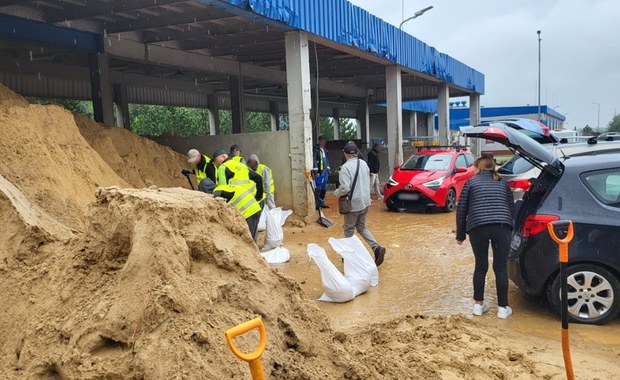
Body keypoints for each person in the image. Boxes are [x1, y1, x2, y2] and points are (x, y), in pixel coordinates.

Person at [456, 156, 515, 319]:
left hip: (478, 227)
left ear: (478, 167)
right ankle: (503, 309)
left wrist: (460, 235)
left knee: (481, 266)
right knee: (500, 267)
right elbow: (511, 209)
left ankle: (478, 306)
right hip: (502, 227)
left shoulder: (471, 183)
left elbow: (462, 210)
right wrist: (512, 229)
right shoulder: (502, 183)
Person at [334, 143, 386, 267]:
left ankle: (349, 257)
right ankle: (376, 247)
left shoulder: (345, 168)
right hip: (365, 202)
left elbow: (345, 188)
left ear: (345, 154)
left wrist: (336, 193)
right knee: (362, 227)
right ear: (356, 153)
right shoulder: (364, 164)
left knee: (348, 230)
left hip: (353, 204)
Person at [212, 149, 263, 219]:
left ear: (223, 157)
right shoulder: (240, 165)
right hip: (251, 202)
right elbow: (258, 178)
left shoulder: (222, 167)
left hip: (239, 204)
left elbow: (223, 189)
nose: (215, 163)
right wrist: (258, 197)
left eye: (215, 160)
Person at [312, 136, 331, 208]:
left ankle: (322, 202)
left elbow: (327, 160)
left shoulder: (325, 150)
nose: (324, 142)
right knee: (318, 187)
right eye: (323, 141)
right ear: (319, 141)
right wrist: (316, 171)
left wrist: (328, 169)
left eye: (325, 141)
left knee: (324, 188)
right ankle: (317, 203)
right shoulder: (316, 150)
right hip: (320, 172)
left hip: (325, 171)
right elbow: (314, 161)